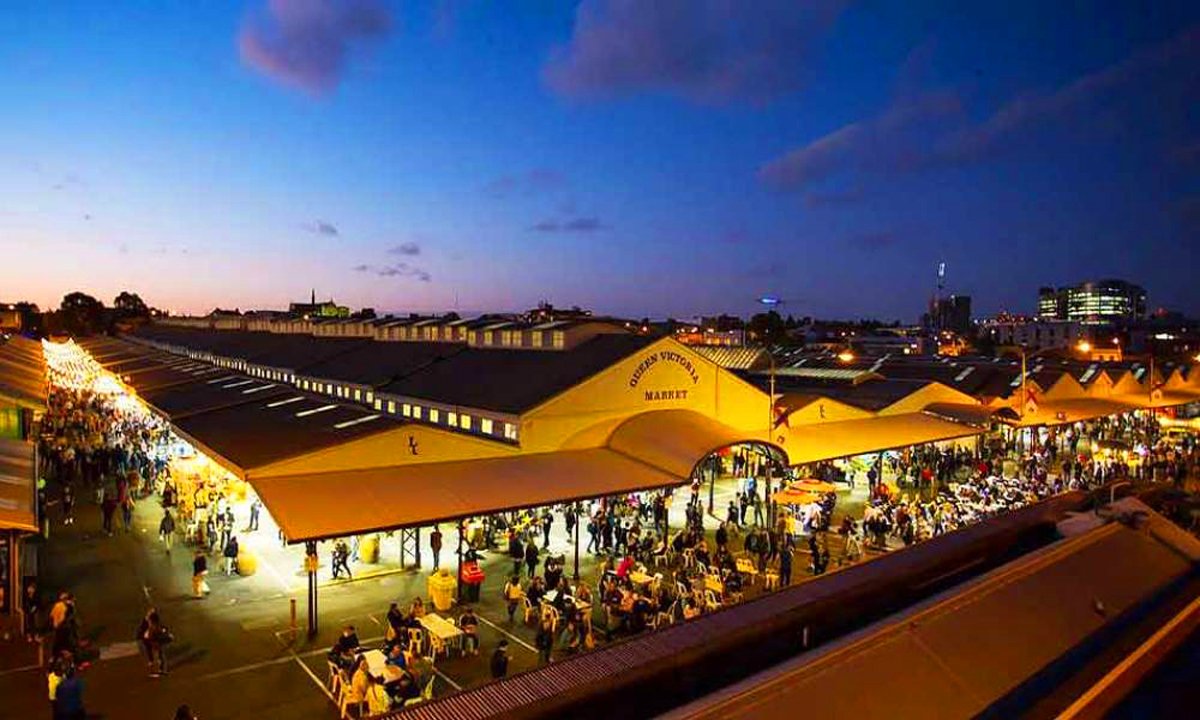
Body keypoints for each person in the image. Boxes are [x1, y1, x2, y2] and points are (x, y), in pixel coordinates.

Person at [138, 608, 168, 676]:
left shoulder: (154, 624)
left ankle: (158, 669)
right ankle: (157, 668)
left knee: (158, 655)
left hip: (154, 641)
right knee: (156, 655)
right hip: (152, 641)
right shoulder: (149, 623)